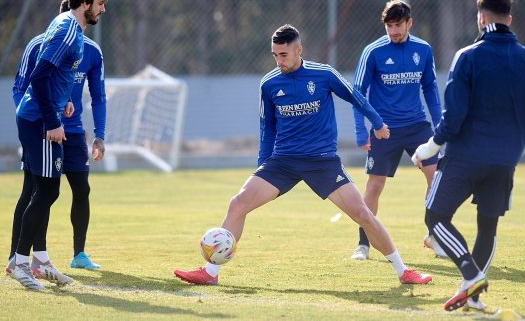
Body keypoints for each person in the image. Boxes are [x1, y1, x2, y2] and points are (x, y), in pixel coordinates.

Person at [174, 24, 432, 286]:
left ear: (299, 50)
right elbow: (267, 129)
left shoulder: (323, 75)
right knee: (237, 203)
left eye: (283, 55)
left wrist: (377, 123)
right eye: (275, 55)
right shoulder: (269, 83)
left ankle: (404, 272)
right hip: (282, 162)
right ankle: (210, 273)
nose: (278, 61)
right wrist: (263, 168)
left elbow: (356, 97)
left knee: (363, 214)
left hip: (321, 161)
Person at [412, 0, 525, 312]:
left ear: (481, 18)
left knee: (435, 217)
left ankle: (471, 277)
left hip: (464, 157)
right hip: (505, 159)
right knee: (488, 225)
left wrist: (430, 147)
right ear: (509, 19)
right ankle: (472, 296)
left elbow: (454, 115)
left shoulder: (468, 56)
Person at [6, 0, 108, 290]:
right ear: (85, 2)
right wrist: (52, 119)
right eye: (100, 3)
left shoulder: (65, 25)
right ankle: (21, 263)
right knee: (47, 191)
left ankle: (39, 259)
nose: (102, 10)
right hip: (41, 122)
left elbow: (52, 77)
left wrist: (61, 102)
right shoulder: (67, 30)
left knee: (45, 191)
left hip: (42, 116)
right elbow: (38, 76)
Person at [350, 0, 446, 261]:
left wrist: (440, 128)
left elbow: (430, 89)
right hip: (384, 129)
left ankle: (434, 235)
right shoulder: (373, 52)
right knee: (375, 185)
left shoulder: (423, 50)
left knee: (435, 176)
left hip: (417, 126)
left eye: (398, 25)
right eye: (389, 26)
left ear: (409, 23)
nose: (393, 31)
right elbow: (358, 93)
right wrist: (361, 131)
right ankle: (363, 243)